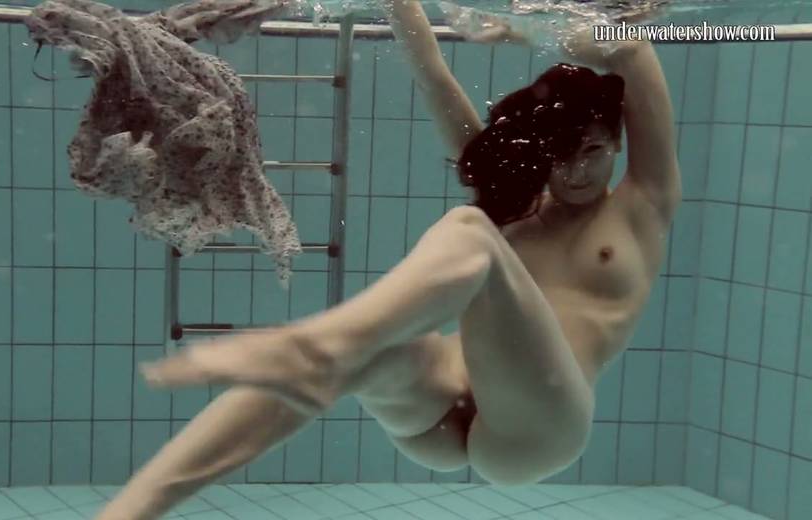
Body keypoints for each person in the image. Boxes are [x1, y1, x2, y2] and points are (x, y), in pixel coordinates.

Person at [95, 1, 680, 518]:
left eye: (593, 150)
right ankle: (138, 504)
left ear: (617, 143)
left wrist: (529, 26)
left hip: (539, 424)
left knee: (471, 230)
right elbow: (431, 71)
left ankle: (319, 345)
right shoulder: (517, 201)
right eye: (559, 154)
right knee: (363, 359)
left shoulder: (641, 205)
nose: (575, 171)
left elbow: (631, 49)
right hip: (444, 404)